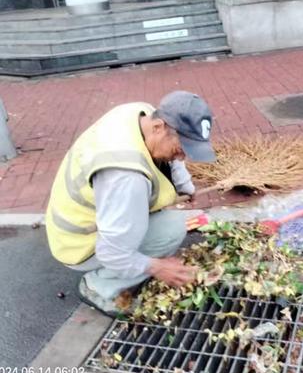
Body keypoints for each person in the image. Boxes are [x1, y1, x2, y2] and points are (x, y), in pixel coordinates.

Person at [45, 91, 215, 317]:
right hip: (80, 245)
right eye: (181, 148)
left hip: (77, 222)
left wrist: (185, 186)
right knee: (174, 228)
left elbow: (171, 160)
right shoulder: (126, 178)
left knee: (154, 221)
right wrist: (159, 267)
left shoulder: (139, 112)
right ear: (158, 127)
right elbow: (112, 253)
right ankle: (99, 286)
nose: (182, 157)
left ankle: (123, 267)